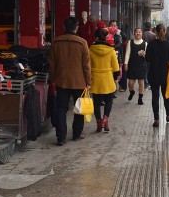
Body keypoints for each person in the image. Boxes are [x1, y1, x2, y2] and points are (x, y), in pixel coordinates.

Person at [48, 17, 91, 146]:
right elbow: (86, 65)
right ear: (77, 28)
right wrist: (88, 81)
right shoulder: (82, 43)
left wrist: (54, 78)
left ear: (64, 27)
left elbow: (52, 63)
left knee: (61, 108)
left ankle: (61, 137)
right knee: (79, 108)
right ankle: (77, 134)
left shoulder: (56, 42)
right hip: (79, 81)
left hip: (61, 80)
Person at [89, 27, 120, 133]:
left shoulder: (90, 49)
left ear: (96, 38)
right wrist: (115, 78)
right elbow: (116, 68)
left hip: (95, 79)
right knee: (108, 101)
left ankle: (99, 123)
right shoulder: (111, 50)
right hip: (108, 79)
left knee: (96, 102)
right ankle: (105, 119)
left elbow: (88, 66)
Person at [145, 23, 169, 127]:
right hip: (165, 74)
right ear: (165, 32)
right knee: (166, 95)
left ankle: (156, 119)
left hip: (153, 74)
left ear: (156, 32)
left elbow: (147, 59)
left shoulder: (151, 44)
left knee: (155, 96)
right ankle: (168, 114)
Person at [124, 28, 147, 105]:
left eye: (139, 32)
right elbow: (127, 54)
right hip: (132, 65)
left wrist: (144, 54)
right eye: (136, 32)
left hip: (141, 65)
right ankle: (132, 91)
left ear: (142, 33)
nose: (138, 33)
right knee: (130, 83)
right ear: (134, 33)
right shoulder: (130, 42)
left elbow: (148, 56)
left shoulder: (145, 43)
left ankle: (140, 98)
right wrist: (125, 64)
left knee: (141, 82)